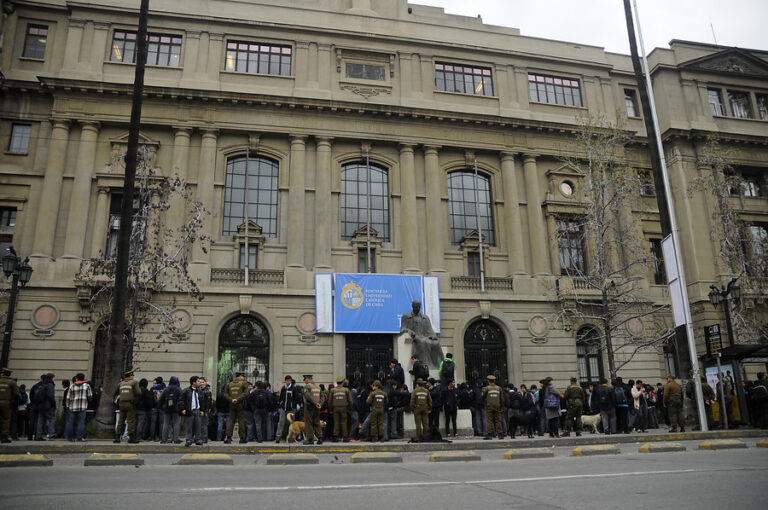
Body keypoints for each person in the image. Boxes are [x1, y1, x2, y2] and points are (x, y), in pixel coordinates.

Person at [401, 300, 443, 371]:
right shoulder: (406, 316)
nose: (417, 308)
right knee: (422, 342)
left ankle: (440, 365)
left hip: (425, 336)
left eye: (418, 307)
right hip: (416, 337)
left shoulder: (425, 317)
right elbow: (402, 328)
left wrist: (433, 336)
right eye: (416, 307)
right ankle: (426, 365)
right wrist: (410, 331)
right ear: (412, 307)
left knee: (436, 343)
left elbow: (430, 330)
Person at [113, 369, 141, 444]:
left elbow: (115, 393)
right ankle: (131, 438)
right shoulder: (134, 383)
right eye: (132, 375)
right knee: (130, 421)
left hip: (121, 404)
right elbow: (138, 393)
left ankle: (117, 437)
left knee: (120, 421)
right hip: (130, 404)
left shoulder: (120, 383)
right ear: (130, 376)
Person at [65, 373, 92, 442]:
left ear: (76, 378)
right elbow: (90, 396)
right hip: (83, 406)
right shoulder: (87, 386)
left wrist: (67, 406)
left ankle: (69, 438)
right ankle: (79, 438)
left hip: (73, 406)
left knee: (71, 422)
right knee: (81, 423)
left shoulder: (72, 386)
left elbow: (68, 397)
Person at [224, 371, 248, 444]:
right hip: (240, 404)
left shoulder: (229, 384)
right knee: (241, 421)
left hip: (231, 404)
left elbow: (225, 394)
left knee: (231, 421)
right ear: (240, 376)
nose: (243, 378)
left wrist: (231, 399)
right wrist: (238, 399)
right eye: (243, 376)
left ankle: (228, 437)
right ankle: (242, 438)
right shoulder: (243, 383)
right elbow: (246, 393)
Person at [275, 375, 299, 443]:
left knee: (291, 423)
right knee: (281, 422)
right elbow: (281, 398)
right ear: (285, 381)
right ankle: (278, 437)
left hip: (291, 409)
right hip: (283, 408)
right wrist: (279, 407)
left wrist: (293, 407)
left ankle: (291, 438)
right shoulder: (283, 388)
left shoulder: (293, 388)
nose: (288, 382)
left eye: (289, 380)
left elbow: (296, 398)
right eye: (287, 380)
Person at [181, 376, 203, 446]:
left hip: (197, 410)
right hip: (189, 410)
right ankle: (188, 439)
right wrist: (182, 409)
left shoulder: (199, 391)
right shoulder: (186, 391)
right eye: (198, 381)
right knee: (189, 426)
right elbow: (181, 400)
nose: (199, 383)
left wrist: (202, 410)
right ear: (193, 382)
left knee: (198, 425)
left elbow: (202, 401)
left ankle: (198, 439)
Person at [160, 376, 183, 444]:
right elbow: (182, 399)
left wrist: (163, 407)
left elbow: (161, 400)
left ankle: (164, 439)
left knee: (166, 424)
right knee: (176, 424)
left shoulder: (166, 389)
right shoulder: (178, 389)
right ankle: (176, 439)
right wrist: (181, 408)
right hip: (176, 410)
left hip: (167, 409)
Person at [329, 376, 352, 442]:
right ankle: (345, 437)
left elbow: (330, 401)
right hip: (344, 407)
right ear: (342, 382)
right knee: (344, 422)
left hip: (335, 408)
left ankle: (335, 437)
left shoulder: (332, 390)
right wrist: (349, 408)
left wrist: (330, 409)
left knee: (336, 422)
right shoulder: (346, 390)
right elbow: (350, 400)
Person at [0, 367, 20, 443]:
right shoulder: (12, 382)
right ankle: (4, 437)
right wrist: (13, 402)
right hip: (7, 403)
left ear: (3, 374)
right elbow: (16, 394)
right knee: (6, 420)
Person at [302, 374, 323, 445]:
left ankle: (310, 439)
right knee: (317, 422)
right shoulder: (318, 387)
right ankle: (320, 438)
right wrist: (319, 404)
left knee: (309, 422)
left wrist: (314, 403)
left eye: (305, 380)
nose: (304, 381)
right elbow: (322, 397)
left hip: (309, 407)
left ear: (307, 379)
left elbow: (307, 396)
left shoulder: (307, 386)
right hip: (317, 407)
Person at [481, 375, 503, 439]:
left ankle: (489, 434)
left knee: (489, 420)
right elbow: (502, 398)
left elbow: (482, 397)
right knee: (498, 420)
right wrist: (502, 406)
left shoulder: (486, 388)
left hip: (489, 405)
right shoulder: (499, 388)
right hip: (497, 405)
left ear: (488, 381)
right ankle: (500, 434)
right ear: (494, 381)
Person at [149, 377, 166, 441]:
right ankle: (161, 436)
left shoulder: (152, 388)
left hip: (154, 407)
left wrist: (151, 406)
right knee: (161, 423)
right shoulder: (164, 388)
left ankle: (152, 436)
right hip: (162, 407)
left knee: (153, 423)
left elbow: (150, 398)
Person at [198, 377, 212, 443]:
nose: (201, 383)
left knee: (204, 425)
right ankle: (199, 437)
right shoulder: (198, 390)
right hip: (199, 410)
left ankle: (204, 438)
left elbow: (208, 402)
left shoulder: (207, 391)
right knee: (199, 424)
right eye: (200, 382)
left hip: (204, 410)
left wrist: (206, 411)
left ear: (205, 383)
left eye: (202, 382)